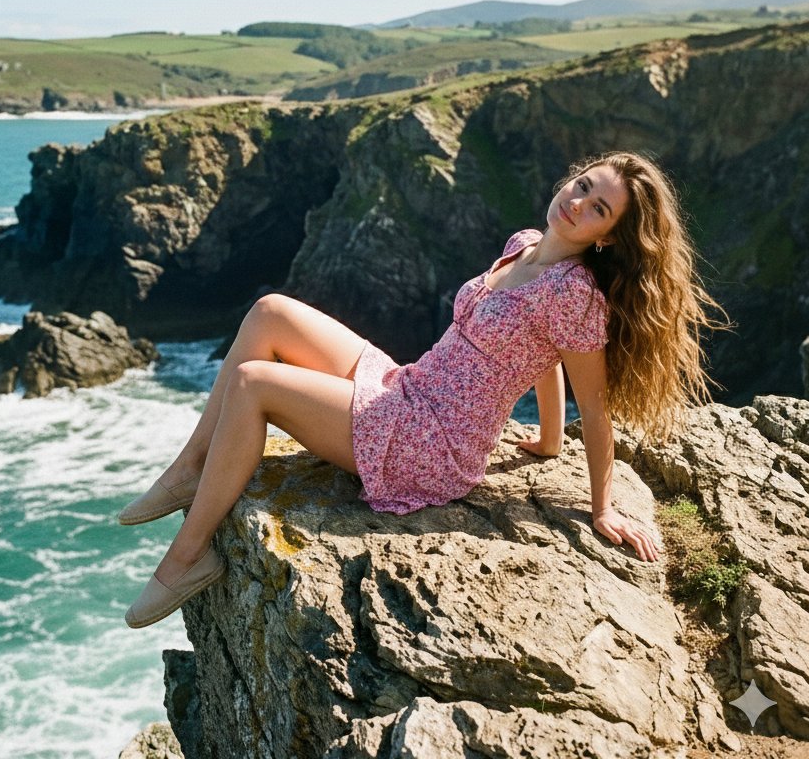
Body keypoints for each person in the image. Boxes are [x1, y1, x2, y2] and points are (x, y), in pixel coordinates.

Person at [119, 150, 724, 629]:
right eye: (584, 186)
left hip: (430, 443)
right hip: (406, 387)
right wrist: (545, 441)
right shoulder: (523, 245)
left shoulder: (575, 295)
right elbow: (539, 356)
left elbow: (592, 407)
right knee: (270, 310)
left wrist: (601, 508)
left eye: (599, 209)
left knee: (254, 383)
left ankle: (187, 556)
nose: (579, 202)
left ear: (608, 239)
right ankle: (191, 469)